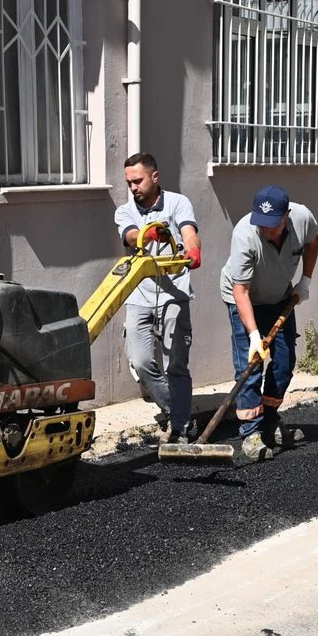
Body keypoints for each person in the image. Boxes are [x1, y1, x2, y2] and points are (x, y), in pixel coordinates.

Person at [220, 185, 318, 460]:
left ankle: (269, 419)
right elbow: (240, 291)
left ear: (286, 216)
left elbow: (313, 242)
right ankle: (251, 433)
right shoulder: (244, 235)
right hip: (244, 299)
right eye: (261, 225)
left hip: (280, 297)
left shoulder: (303, 219)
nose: (265, 230)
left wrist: (306, 279)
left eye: (272, 226)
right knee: (250, 365)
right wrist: (253, 335)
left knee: (284, 363)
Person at [114, 153, 203, 443]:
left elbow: (189, 232)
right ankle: (178, 411)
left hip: (174, 292)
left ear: (154, 177)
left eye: (138, 180)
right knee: (140, 360)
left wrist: (192, 250)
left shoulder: (178, 202)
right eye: (129, 182)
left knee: (175, 363)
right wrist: (147, 233)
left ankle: (179, 426)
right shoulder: (125, 210)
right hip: (140, 294)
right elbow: (130, 236)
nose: (133, 187)